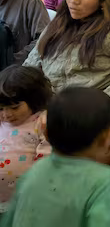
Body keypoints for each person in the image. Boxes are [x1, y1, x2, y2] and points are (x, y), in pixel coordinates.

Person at [2, 86, 110, 226]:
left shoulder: (34, 170)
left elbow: (10, 219)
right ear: (106, 137)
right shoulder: (104, 180)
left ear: (46, 133)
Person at [0, 66, 52, 212]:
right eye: (1, 108)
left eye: (14, 107)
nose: (6, 114)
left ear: (34, 100)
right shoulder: (1, 121)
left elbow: (47, 159)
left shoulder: (42, 122)